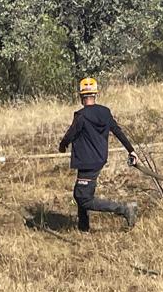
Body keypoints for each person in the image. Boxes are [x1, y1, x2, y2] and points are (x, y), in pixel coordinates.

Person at [58, 77, 140, 232]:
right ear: (95, 94)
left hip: (88, 162)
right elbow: (117, 131)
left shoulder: (81, 116)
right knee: (82, 193)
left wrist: (63, 146)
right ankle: (83, 229)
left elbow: (70, 135)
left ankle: (124, 209)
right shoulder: (105, 112)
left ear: (81, 96)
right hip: (99, 159)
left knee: (83, 198)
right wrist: (131, 150)